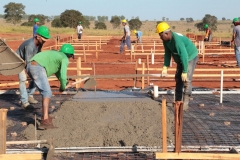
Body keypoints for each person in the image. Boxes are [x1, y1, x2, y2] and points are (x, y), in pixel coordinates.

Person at [26, 44, 74, 129]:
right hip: (38, 67)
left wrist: (65, 83)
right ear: (70, 55)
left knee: (45, 92)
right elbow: (63, 75)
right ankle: (45, 120)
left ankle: (45, 116)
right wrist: (62, 88)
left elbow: (58, 73)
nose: (69, 59)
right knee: (47, 92)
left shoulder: (57, 55)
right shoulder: (64, 58)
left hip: (31, 65)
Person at [156, 22, 198, 110]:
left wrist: (185, 71)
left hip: (190, 57)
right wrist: (165, 66)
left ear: (166, 33)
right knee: (178, 79)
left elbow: (184, 56)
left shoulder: (177, 41)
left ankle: (185, 104)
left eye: (161, 35)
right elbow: (167, 53)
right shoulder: (166, 41)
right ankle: (178, 102)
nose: (160, 37)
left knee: (187, 80)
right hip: (181, 58)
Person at [17, 26, 51, 109]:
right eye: (43, 40)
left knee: (36, 75)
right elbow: (28, 62)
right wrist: (27, 72)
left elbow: (38, 55)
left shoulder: (39, 43)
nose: (44, 42)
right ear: (38, 37)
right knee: (23, 79)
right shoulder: (30, 45)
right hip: (20, 60)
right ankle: (24, 102)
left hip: (30, 60)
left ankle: (30, 96)